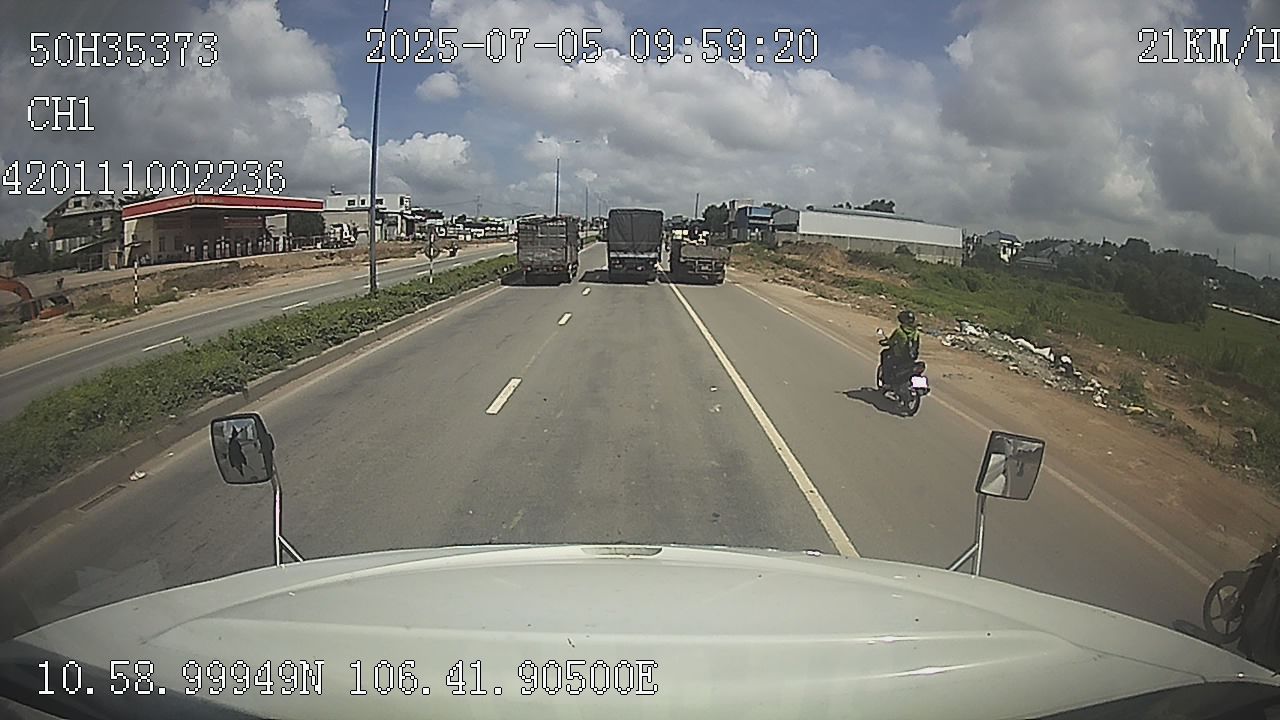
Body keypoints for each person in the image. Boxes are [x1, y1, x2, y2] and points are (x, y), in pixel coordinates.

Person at [879, 310, 921, 386]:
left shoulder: (899, 331)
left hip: (898, 357)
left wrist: (885, 342)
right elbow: (917, 344)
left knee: (886, 362)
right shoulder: (916, 332)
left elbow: (891, 342)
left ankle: (886, 381)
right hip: (911, 358)